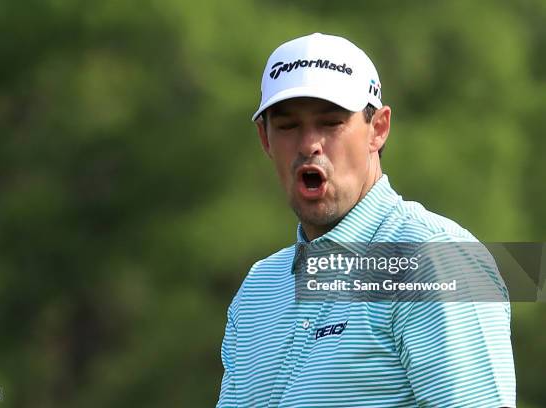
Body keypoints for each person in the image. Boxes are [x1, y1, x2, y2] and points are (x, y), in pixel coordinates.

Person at [216, 33, 515, 407]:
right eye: (288, 125)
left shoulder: (437, 260)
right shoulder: (259, 288)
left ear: (378, 129)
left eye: (331, 123)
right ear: (264, 138)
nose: (309, 144)